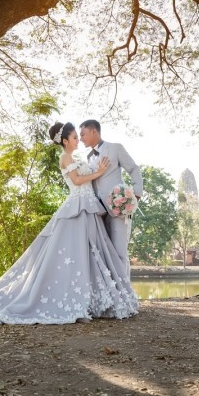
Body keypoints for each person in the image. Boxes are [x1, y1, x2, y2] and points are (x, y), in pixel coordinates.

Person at [0, 122, 138, 324]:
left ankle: (91, 300)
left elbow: (94, 180)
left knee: (91, 254)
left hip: (90, 208)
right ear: (66, 140)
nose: (79, 139)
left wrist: (122, 189)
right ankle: (75, 303)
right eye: (75, 137)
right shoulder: (66, 157)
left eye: (81, 136)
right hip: (78, 208)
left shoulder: (83, 156)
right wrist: (100, 171)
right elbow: (78, 181)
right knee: (76, 254)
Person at [79, 119, 143, 279]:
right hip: (98, 212)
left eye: (83, 134)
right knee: (105, 254)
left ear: (94, 131)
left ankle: (126, 296)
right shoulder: (88, 157)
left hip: (119, 208)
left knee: (120, 251)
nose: (80, 138)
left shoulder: (115, 148)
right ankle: (113, 295)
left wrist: (135, 195)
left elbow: (134, 169)